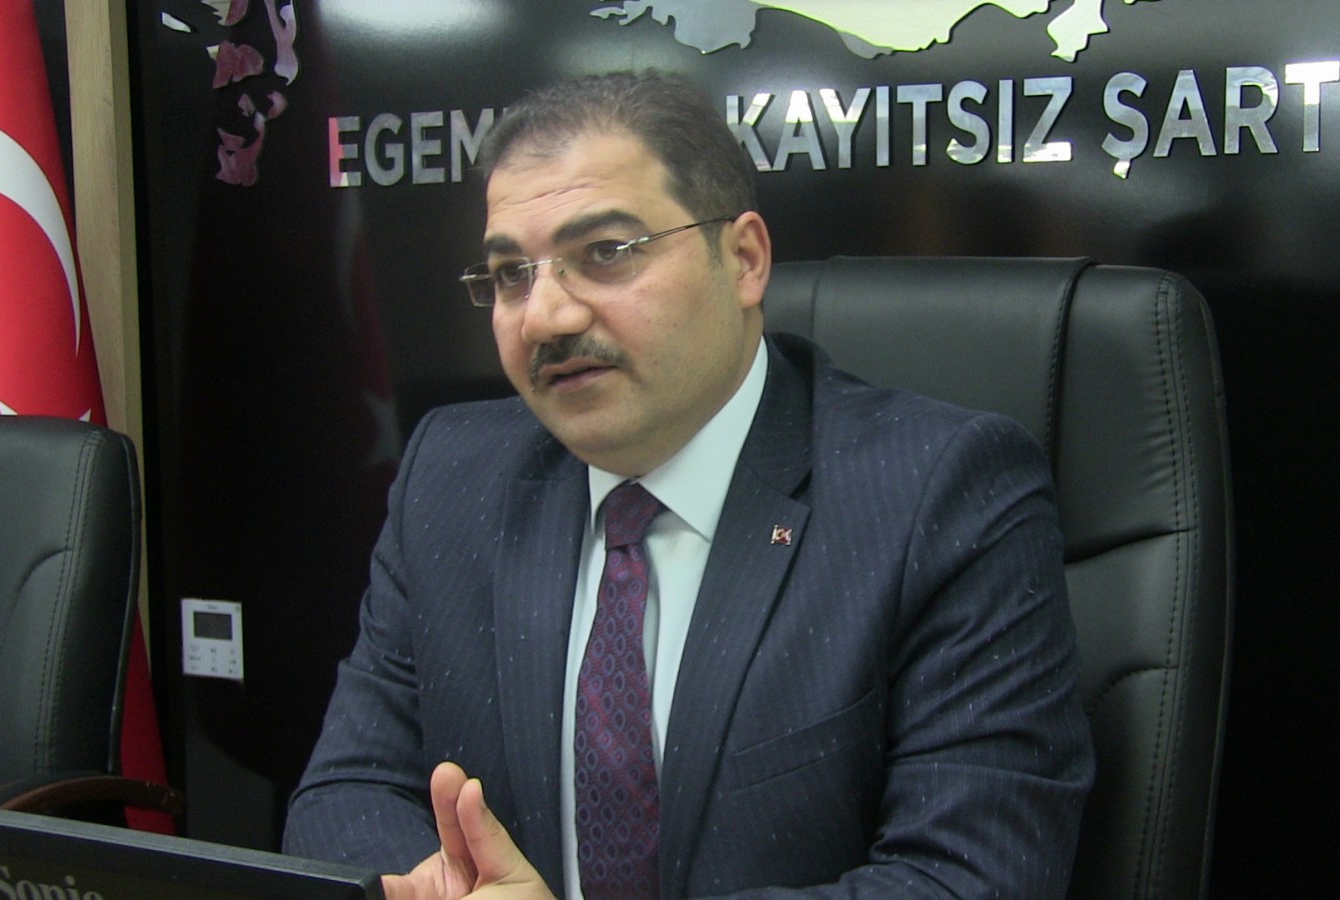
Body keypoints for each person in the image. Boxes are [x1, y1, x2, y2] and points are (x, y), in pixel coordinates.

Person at [283, 70, 1094, 899]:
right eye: (512, 273)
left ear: (743, 260)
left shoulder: (940, 493)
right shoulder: (453, 479)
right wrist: (437, 889)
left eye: (606, 254)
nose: (545, 317)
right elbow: (345, 793)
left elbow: (968, 878)